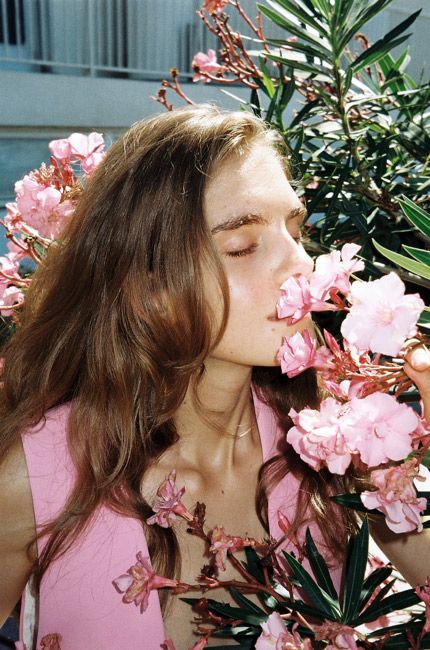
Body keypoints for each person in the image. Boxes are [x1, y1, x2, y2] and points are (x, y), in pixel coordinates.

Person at [0, 105, 429, 650]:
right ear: (144, 288)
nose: (300, 263)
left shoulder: (342, 437)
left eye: (297, 229)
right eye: (242, 246)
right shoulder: (32, 480)